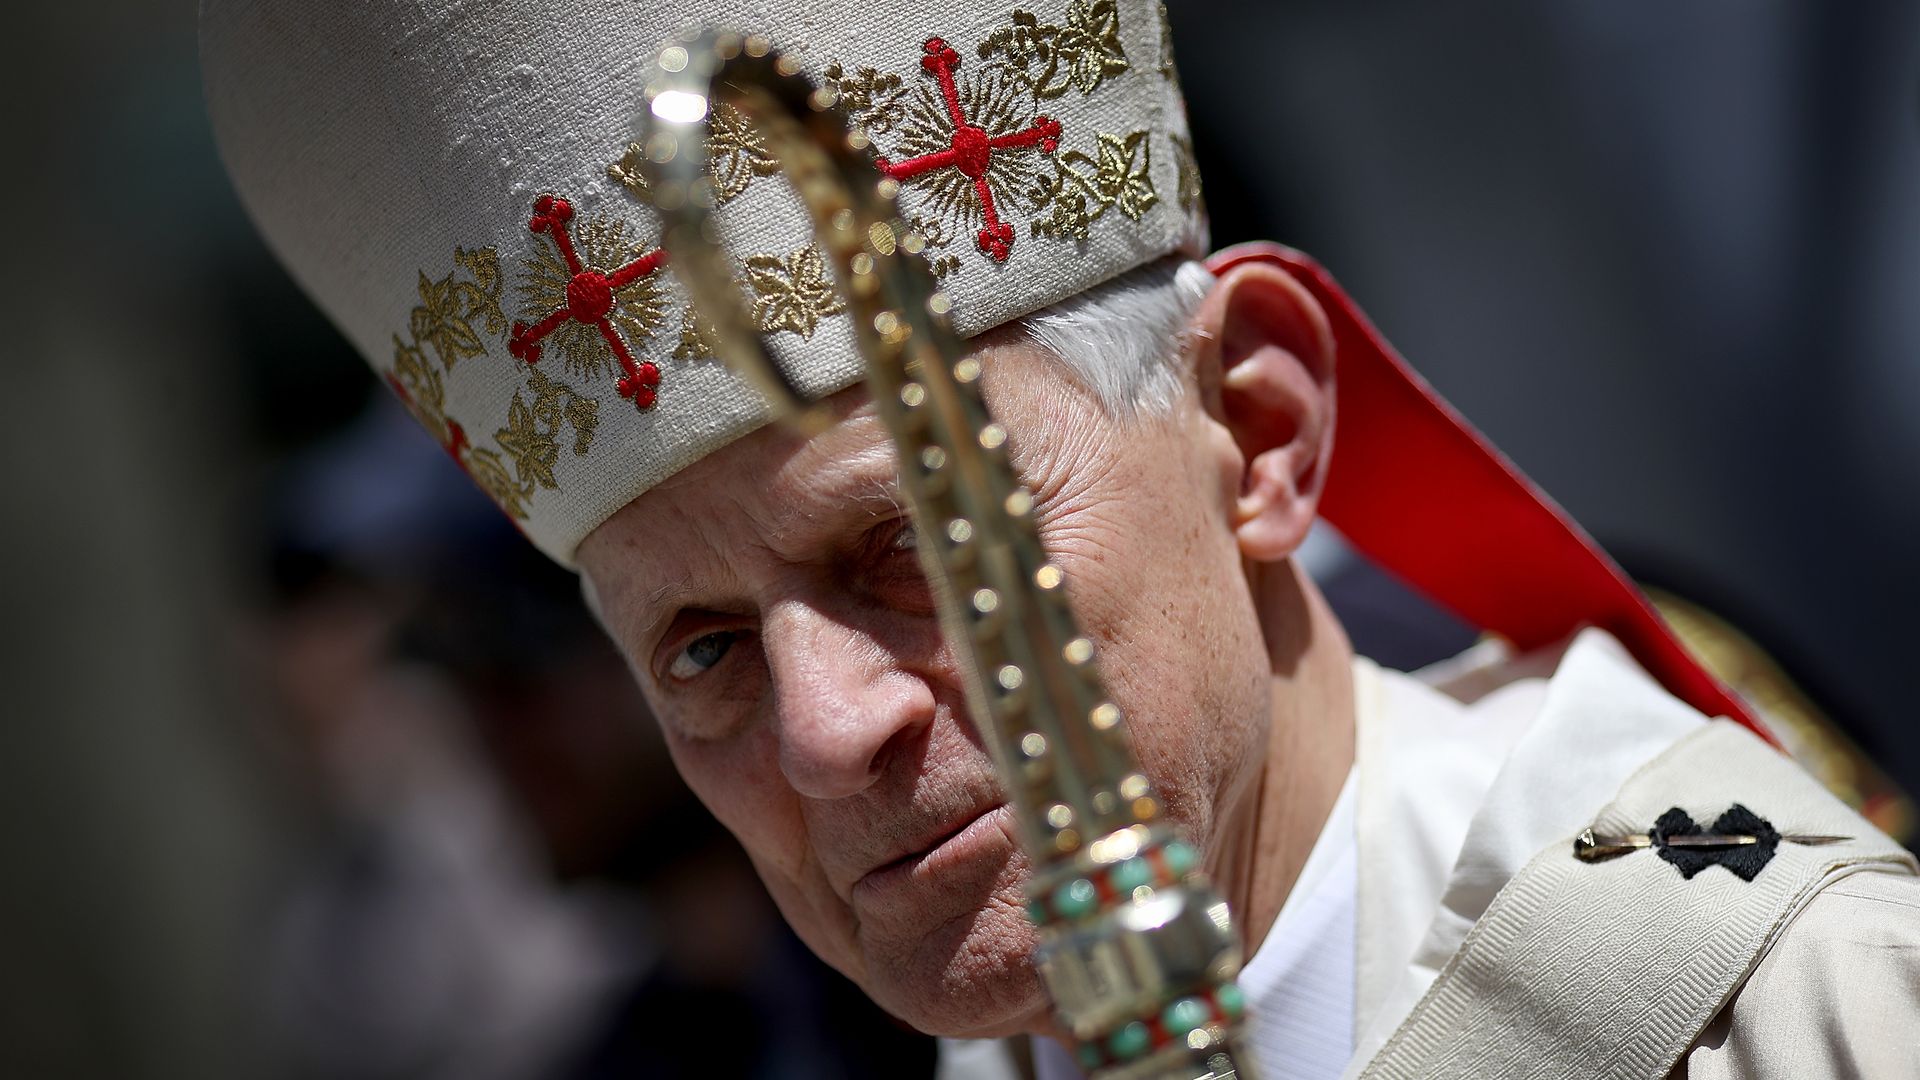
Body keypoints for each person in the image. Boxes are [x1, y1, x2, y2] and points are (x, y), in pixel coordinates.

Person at [201, 1, 1920, 1077]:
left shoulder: (1800, 1011)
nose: (820, 731)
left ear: (1253, 430)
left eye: (908, 545)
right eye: (704, 650)